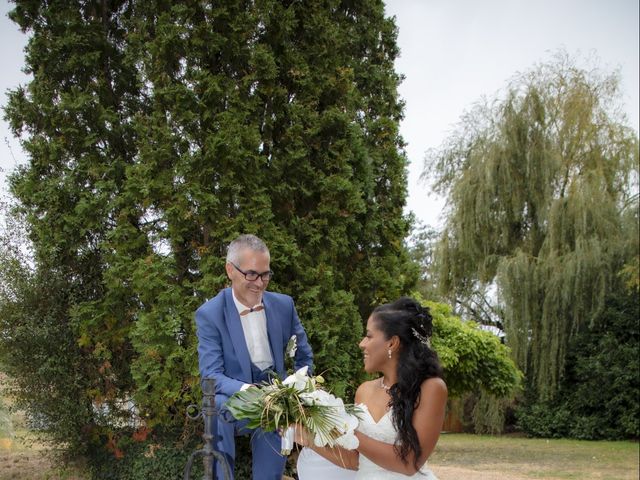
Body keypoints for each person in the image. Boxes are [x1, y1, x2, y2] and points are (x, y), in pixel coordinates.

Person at [196, 234, 314, 480]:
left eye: (265, 275)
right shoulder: (210, 314)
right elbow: (211, 375)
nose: (259, 283)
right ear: (230, 270)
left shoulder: (284, 305)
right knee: (215, 407)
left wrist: (296, 389)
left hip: (276, 398)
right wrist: (249, 390)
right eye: (251, 274)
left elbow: (304, 358)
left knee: (272, 433)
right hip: (237, 399)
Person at [295, 297, 447, 479]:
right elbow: (356, 460)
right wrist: (309, 439)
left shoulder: (431, 388)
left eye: (368, 336)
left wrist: (346, 430)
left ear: (392, 343)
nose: (362, 344)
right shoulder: (364, 390)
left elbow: (409, 463)